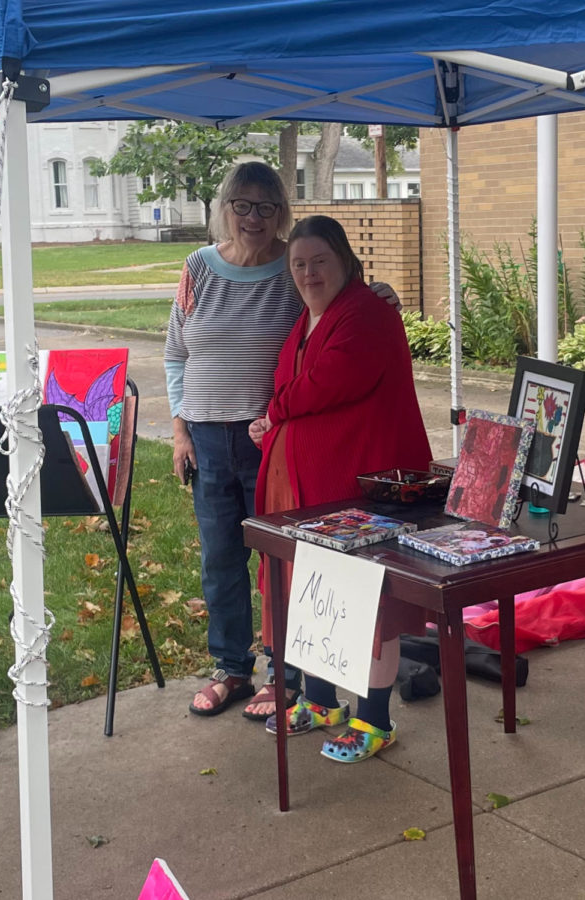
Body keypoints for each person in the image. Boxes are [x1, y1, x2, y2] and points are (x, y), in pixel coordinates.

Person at [164, 162, 398, 720]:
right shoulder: (197, 267)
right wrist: (178, 430)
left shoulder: (292, 270)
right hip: (205, 433)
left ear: (281, 214)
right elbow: (176, 351)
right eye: (242, 205)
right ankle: (230, 669)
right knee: (220, 557)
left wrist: (375, 290)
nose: (253, 217)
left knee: (280, 561)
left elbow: (335, 310)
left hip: (270, 440)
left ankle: (286, 672)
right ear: (225, 207)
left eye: (266, 207)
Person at [249, 215, 432, 763]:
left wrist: (274, 414)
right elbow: (297, 384)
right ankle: (322, 700)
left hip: (360, 490)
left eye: (319, 262)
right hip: (307, 492)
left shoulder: (367, 315)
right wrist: (274, 426)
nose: (308, 273)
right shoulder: (311, 316)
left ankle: (374, 718)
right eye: (299, 265)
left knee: (365, 601)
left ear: (346, 261)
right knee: (311, 595)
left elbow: (331, 380)